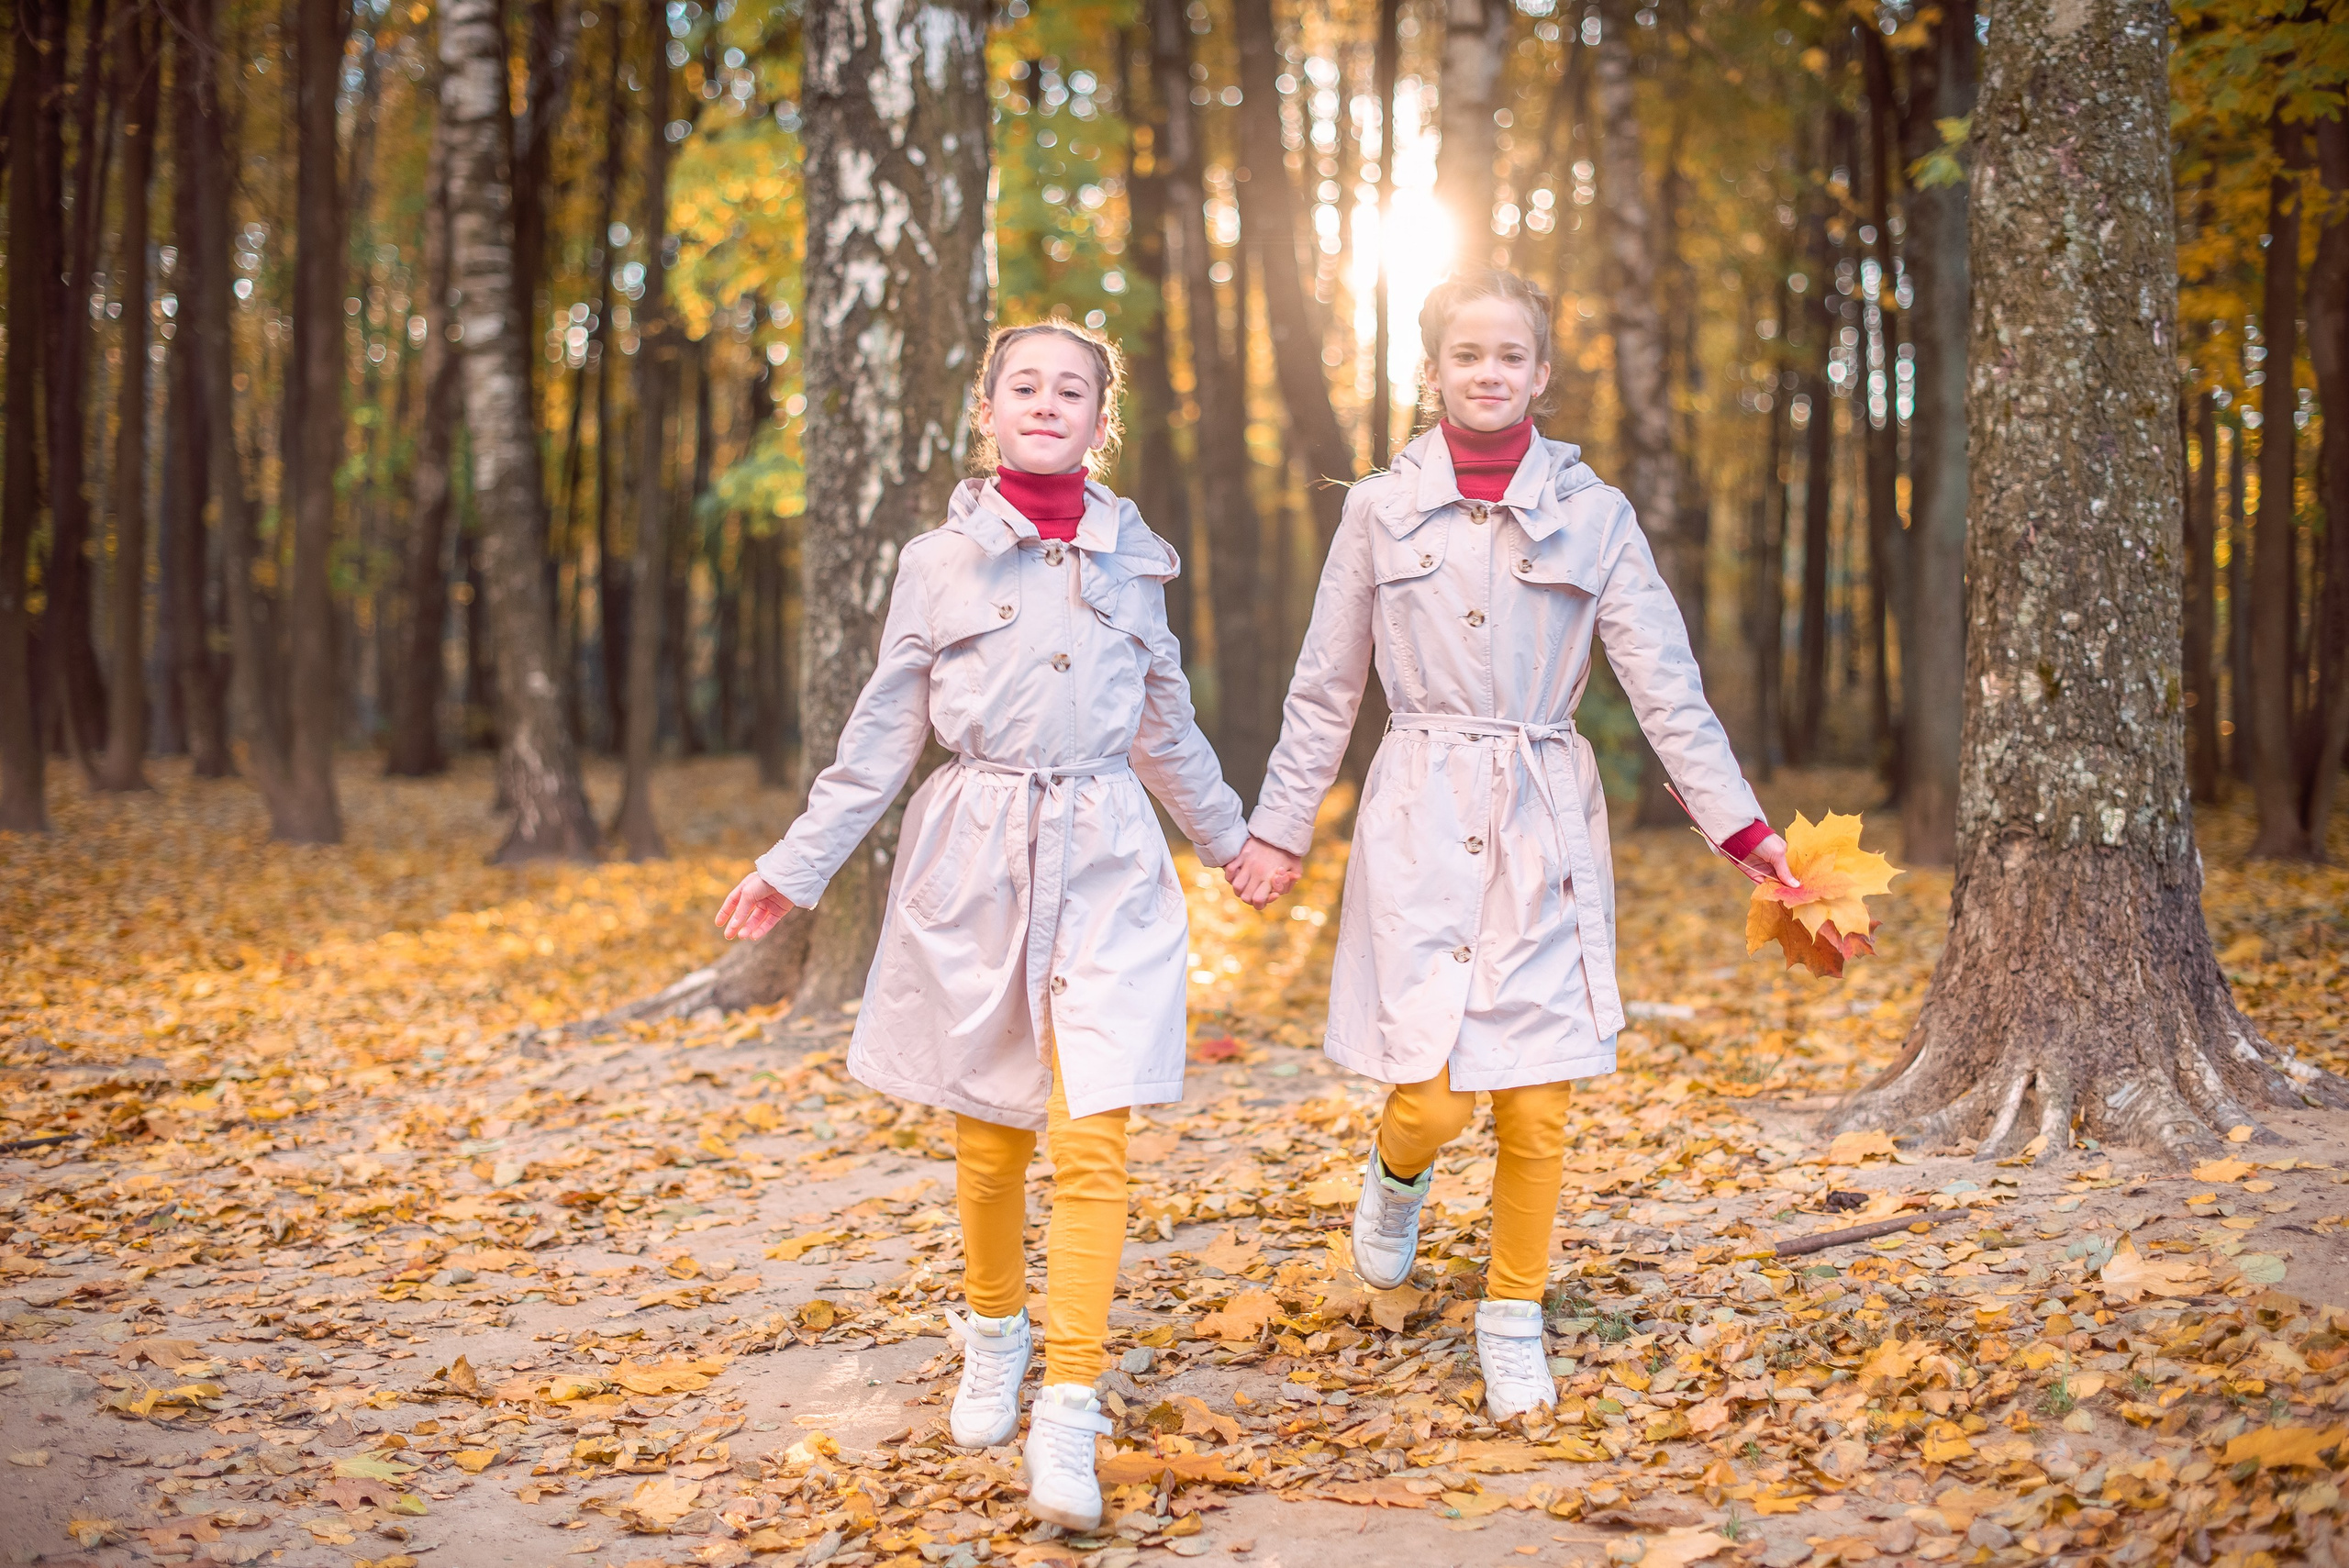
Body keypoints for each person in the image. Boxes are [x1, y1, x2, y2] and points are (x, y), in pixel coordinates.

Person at [1222, 269, 1795, 1423]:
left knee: (1537, 1105)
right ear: (1433, 373)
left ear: (1541, 374)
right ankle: (1396, 1173)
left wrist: (1742, 829)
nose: (1488, 373)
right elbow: (1326, 684)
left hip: (1543, 818)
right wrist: (1280, 826)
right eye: (1465, 355)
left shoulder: (1599, 518)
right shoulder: (1377, 511)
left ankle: (1511, 1316)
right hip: (1419, 811)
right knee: (1431, 1097)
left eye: (1509, 356)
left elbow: (1665, 687)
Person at [715, 322, 1246, 1529]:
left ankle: (1070, 1400)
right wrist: (795, 872)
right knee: (993, 1131)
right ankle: (996, 1329)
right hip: (977, 854)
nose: (1048, 403)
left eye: (1074, 389)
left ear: (1100, 419)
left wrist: (1233, 842)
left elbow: (1165, 724)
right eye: (1027, 386)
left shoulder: (1137, 560)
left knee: (1097, 1129)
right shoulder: (935, 563)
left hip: (1110, 851)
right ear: (990, 409)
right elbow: (879, 738)